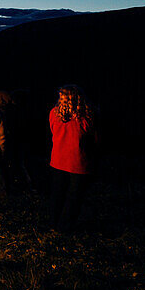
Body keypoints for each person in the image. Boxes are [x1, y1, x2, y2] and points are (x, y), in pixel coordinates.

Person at [49, 85, 97, 233]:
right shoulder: (86, 117)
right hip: (78, 163)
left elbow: (52, 131)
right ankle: (64, 227)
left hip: (57, 160)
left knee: (58, 194)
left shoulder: (53, 114)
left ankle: (54, 224)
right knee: (73, 197)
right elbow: (93, 138)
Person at [0, 90, 33, 191]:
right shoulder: (10, 111)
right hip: (12, 140)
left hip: (12, 141)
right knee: (15, 164)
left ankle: (11, 186)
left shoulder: (6, 112)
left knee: (14, 164)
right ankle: (16, 185)